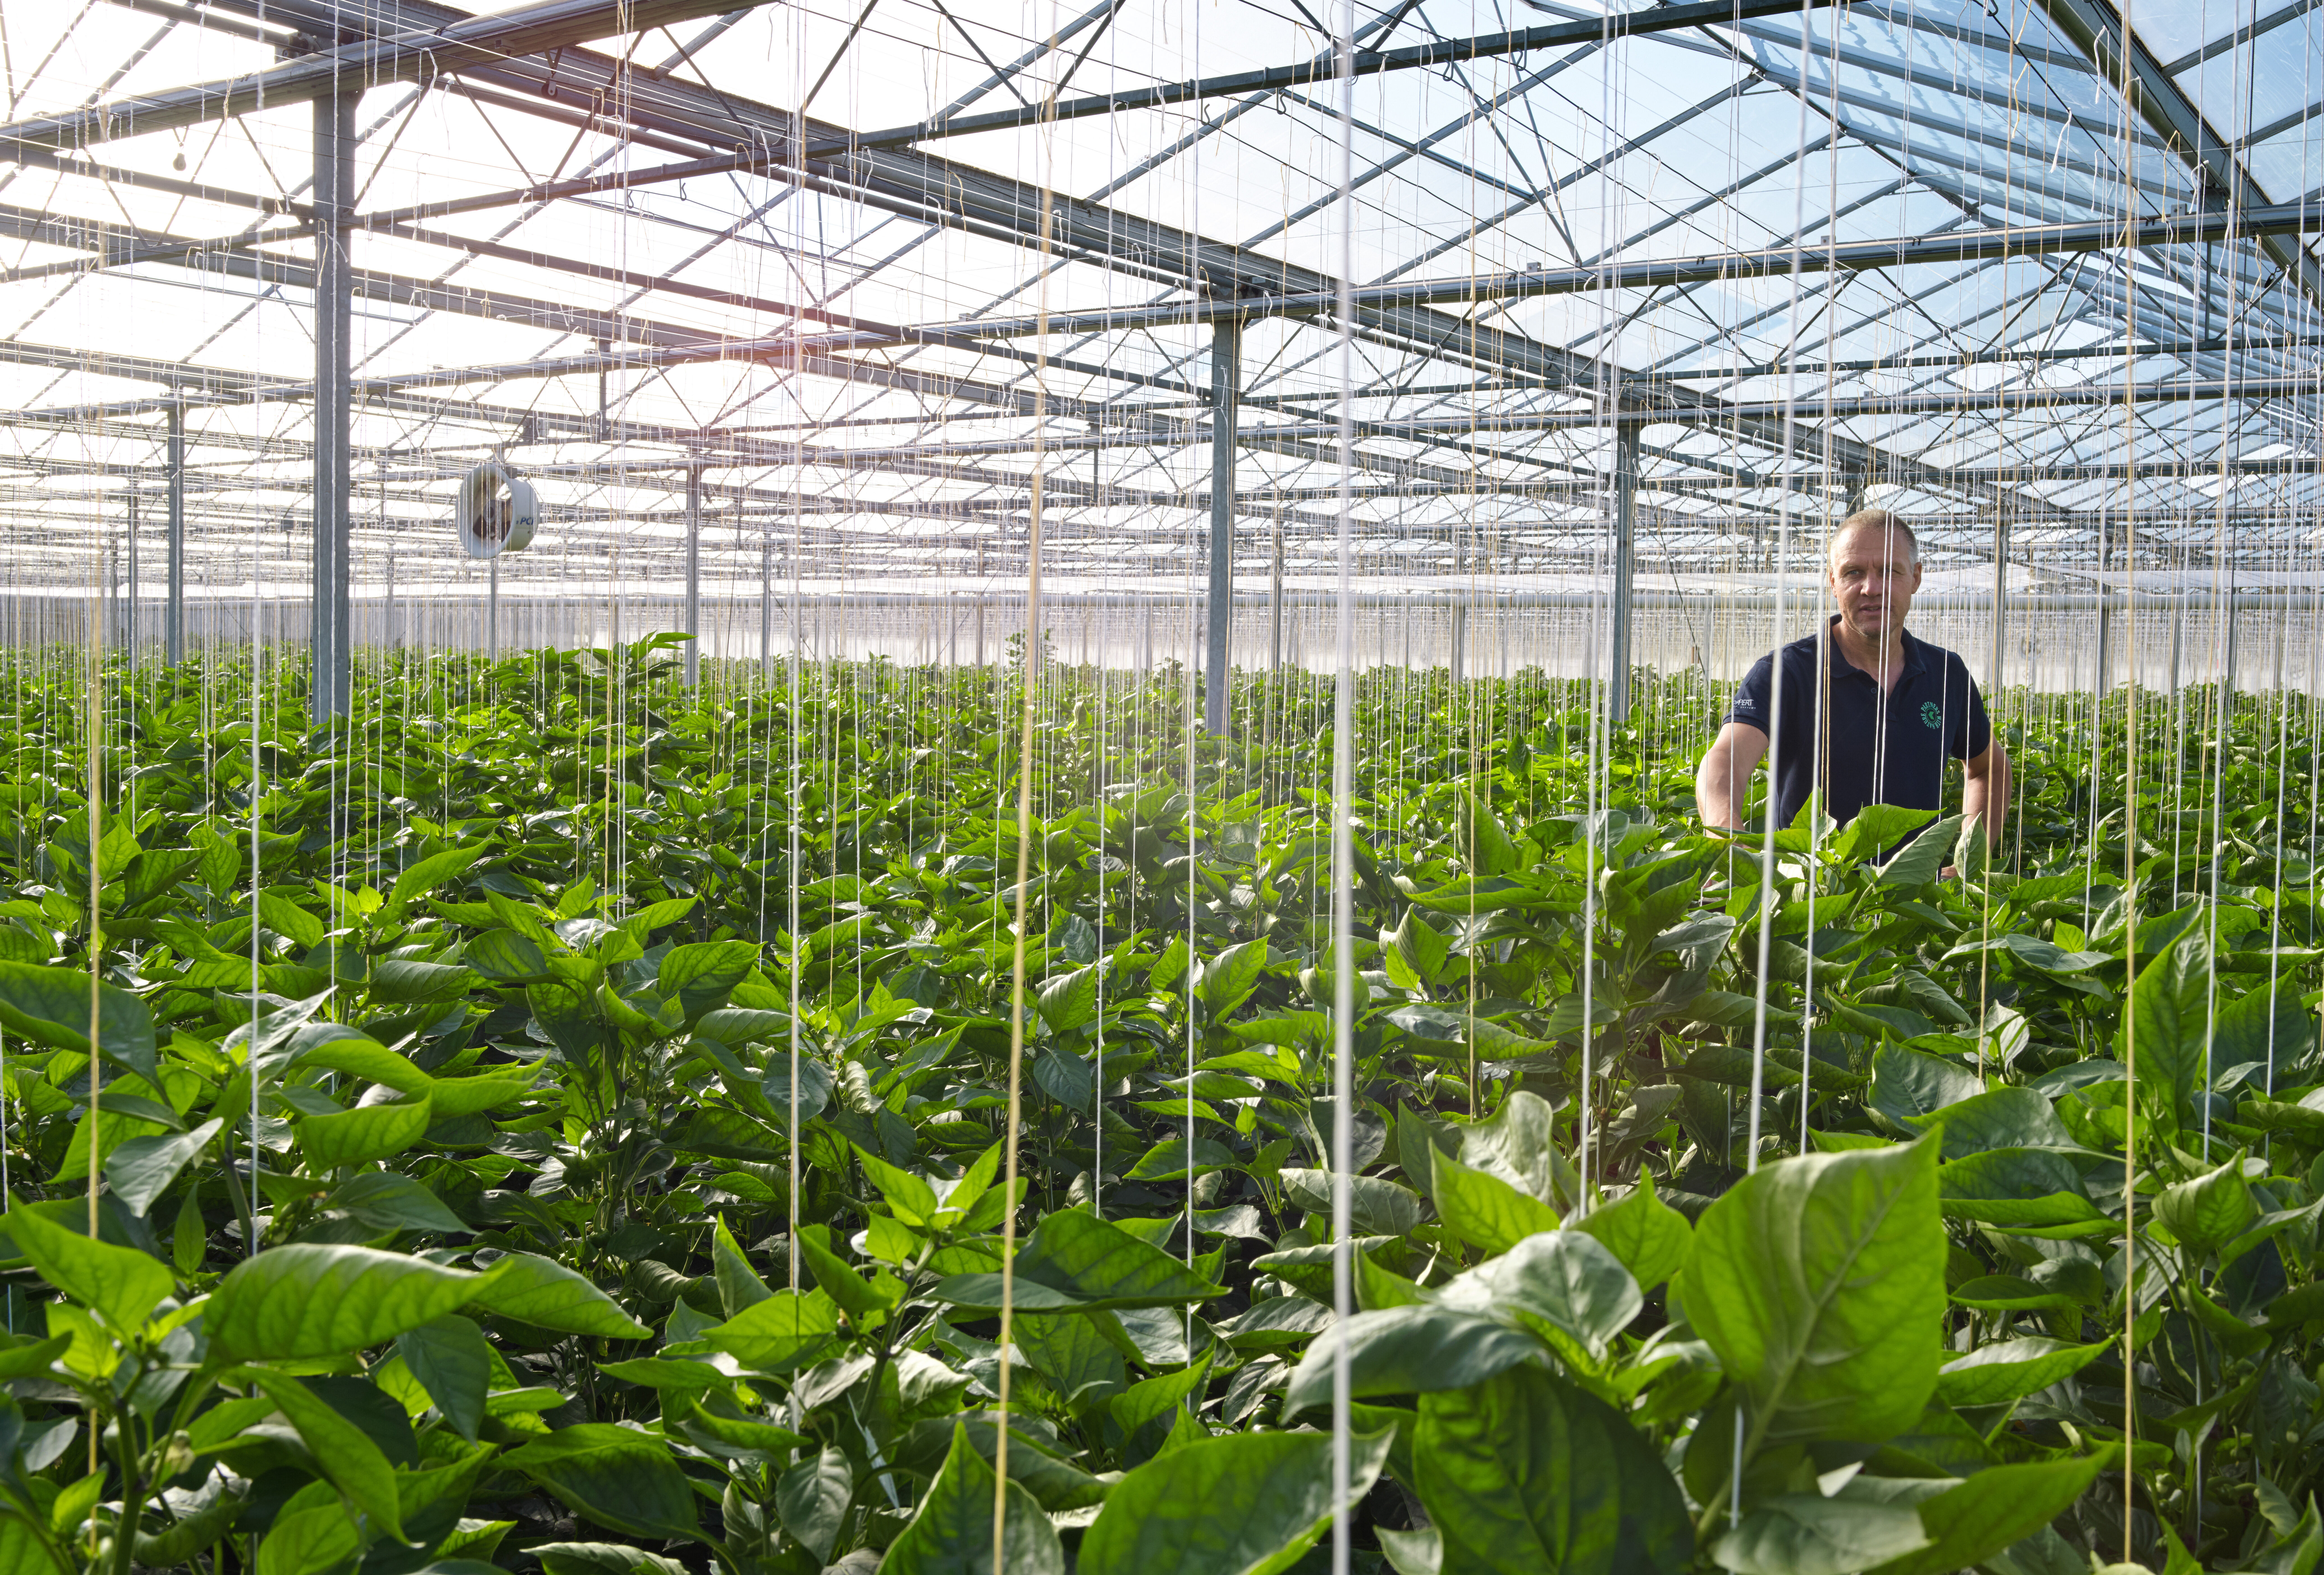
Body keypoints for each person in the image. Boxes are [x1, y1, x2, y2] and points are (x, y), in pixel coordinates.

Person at [1695, 510, 2011, 845]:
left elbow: (1989, 768)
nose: (1871, 588)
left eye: (1890, 571)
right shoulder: (1788, 672)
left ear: (1916, 578)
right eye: (1853, 573)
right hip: (1809, 892)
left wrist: (1971, 860)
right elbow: (1725, 761)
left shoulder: (1947, 674)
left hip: (1915, 895)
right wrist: (1728, 836)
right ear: (1833, 581)